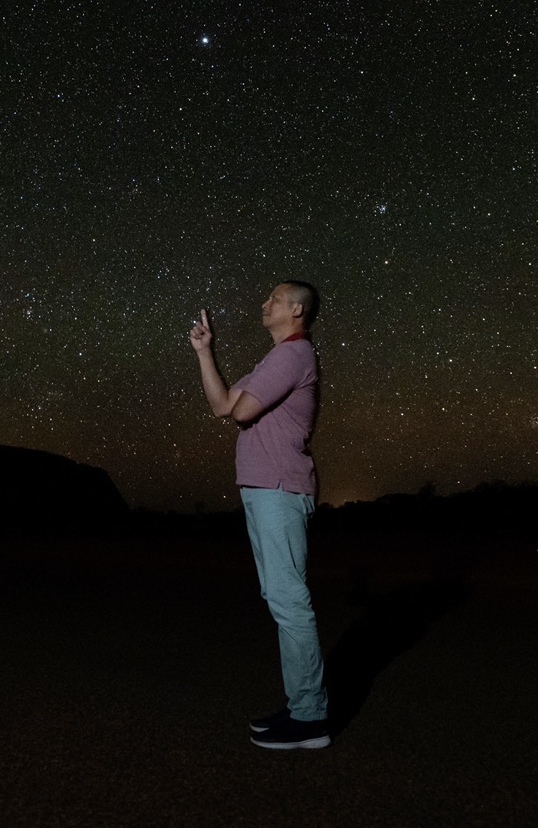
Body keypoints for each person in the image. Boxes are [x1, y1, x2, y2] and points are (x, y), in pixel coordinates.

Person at [189, 280, 329, 750]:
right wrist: (206, 353)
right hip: (264, 489)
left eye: (273, 298)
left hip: (279, 488)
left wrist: (238, 402)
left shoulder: (292, 356)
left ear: (295, 309)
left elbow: (243, 410)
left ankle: (311, 719)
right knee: (281, 598)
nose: (263, 303)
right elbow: (221, 406)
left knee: (290, 602)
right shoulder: (274, 360)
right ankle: (301, 707)